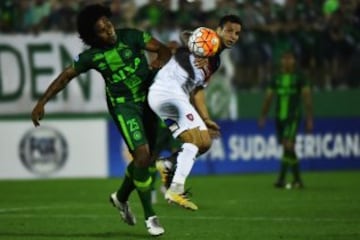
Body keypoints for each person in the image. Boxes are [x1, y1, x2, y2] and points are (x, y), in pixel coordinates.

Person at [30, 4, 172, 236]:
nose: (109, 29)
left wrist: (159, 61)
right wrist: (41, 102)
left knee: (146, 158)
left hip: (148, 102)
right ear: (93, 37)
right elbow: (66, 76)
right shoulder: (92, 56)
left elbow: (163, 49)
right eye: (102, 30)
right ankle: (151, 217)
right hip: (124, 107)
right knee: (143, 156)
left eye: (108, 23)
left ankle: (120, 197)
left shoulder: (132, 36)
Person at [147, 15, 242, 210]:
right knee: (192, 141)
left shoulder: (215, 62)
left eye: (237, 33)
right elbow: (185, 35)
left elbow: (198, 91)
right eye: (230, 30)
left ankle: (168, 164)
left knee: (204, 142)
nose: (233, 36)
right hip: (168, 92)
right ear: (219, 29)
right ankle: (174, 189)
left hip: (177, 96)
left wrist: (206, 118)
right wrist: (200, 51)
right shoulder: (208, 41)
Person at [258, 50, 313, 189]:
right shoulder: (276, 77)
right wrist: (263, 116)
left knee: (289, 145)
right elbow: (268, 98)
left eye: (290, 59)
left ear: (294, 61)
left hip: (293, 117)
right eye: (284, 59)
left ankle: (283, 179)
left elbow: (307, 98)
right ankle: (297, 180)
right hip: (279, 117)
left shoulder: (300, 77)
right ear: (281, 61)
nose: (287, 61)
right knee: (288, 147)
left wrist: (309, 118)